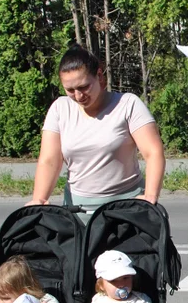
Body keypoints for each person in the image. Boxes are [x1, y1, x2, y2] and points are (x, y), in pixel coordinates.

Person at [28, 44, 165, 218]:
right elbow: (49, 160)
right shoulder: (59, 109)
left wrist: (150, 196)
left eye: (84, 87)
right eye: (70, 90)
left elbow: (153, 152)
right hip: (77, 209)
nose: (78, 96)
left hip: (127, 208)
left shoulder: (128, 104)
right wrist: (39, 199)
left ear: (99, 77)